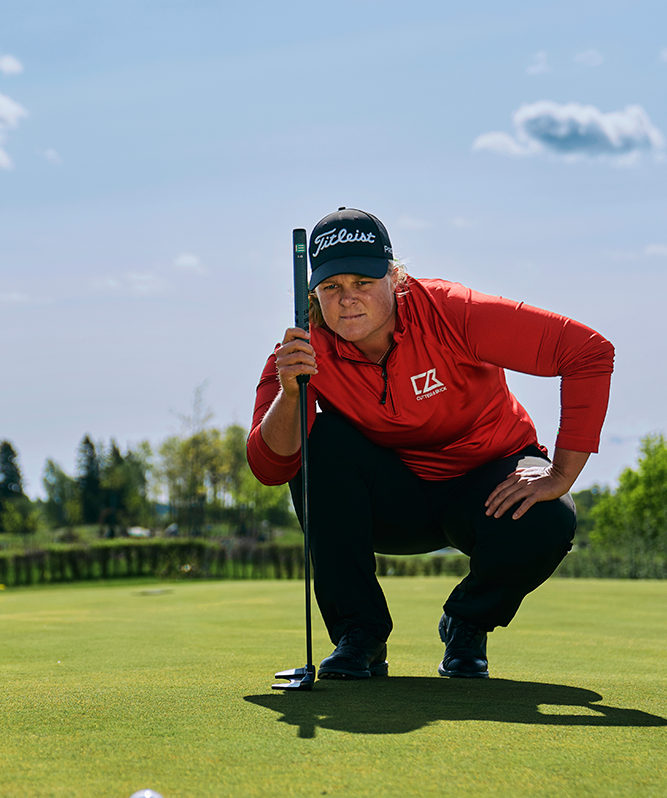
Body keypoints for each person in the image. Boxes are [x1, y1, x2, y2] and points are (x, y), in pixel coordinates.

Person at [247, 208, 614, 679]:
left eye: (363, 282)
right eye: (332, 286)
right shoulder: (299, 355)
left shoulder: (450, 309)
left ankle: (467, 621)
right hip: (396, 502)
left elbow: (588, 351)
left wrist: (562, 474)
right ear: (313, 293)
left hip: (487, 485)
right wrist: (291, 394)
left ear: (394, 276)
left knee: (549, 518)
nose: (348, 300)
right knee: (318, 442)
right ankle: (359, 634)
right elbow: (269, 468)